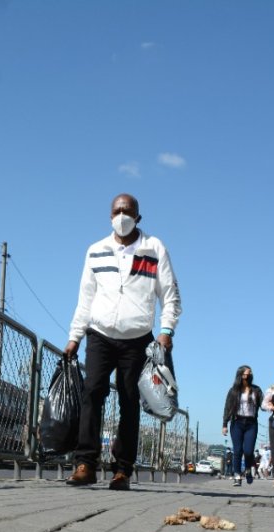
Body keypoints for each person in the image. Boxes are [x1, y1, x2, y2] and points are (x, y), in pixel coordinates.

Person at [64, 193, 181, 491]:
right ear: (109, 216)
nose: (121, 215)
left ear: (138, 217)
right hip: (100, 335)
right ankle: (85, 464)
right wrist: (74, 336)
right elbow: (85, 299)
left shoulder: (154, 248)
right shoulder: (96, 250)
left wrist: (166, 330)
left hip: (137, 339)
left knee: (130, 401)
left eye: (127, 211)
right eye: (116, 211)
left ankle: (122, 471)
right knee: (92, 393)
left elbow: (170, 296)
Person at [222, 365, 263, 487]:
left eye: (250, 374)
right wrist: (224, 424)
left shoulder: (256, 390)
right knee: (237, 450)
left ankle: (249, 469)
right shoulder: (234, 390)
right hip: (237, 422)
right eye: (245, 374)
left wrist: (271, 406)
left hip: (251, 423)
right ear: (240, 375)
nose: (248, 376)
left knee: (248, 451)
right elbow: (228, 407)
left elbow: (263, 404)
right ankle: (237, 475)